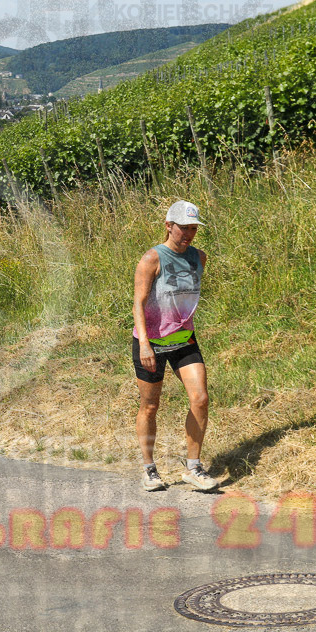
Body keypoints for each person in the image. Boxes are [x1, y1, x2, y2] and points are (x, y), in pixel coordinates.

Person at [132, 200, 218, 492]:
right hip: (152, 342)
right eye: (183, 228)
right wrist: (144, 342)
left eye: (193, 228)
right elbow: (139, 303)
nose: (189, 234)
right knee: (150, 405)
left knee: (201, 398)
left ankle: (193, 468)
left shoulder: (199, 257)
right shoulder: (152, 258)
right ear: (169, 226)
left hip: (183, 340)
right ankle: (149, 469)